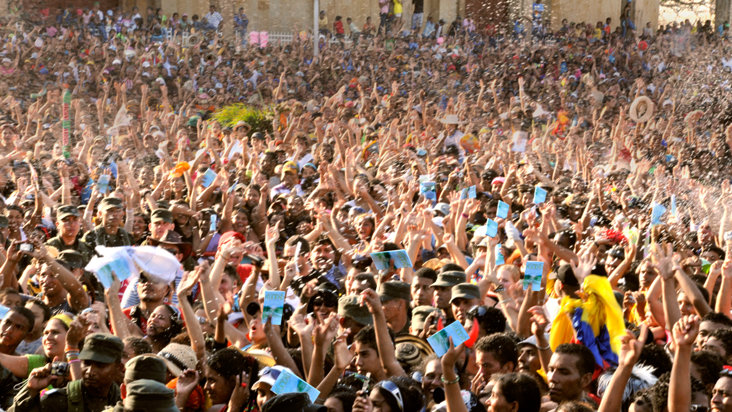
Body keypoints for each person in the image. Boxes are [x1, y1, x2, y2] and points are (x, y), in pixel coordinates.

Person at [10, 333, 124, 412]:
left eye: (100, 366)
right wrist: (30, 391)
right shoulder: (57, 401)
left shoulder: (124, 400)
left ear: (118, 368)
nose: (90, 371)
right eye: (87, 363)